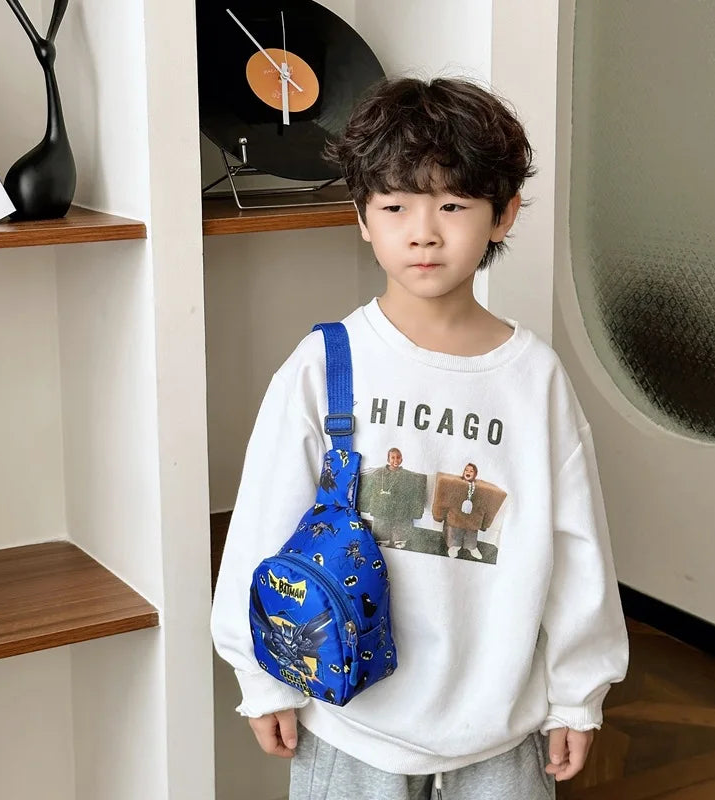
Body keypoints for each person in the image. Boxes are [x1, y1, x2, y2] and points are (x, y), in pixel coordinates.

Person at [211, 76, 629, 800]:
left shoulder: (533, 379)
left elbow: (577, 545)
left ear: (503, 214)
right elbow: (261, 526)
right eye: (395, 205)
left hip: (498, 726)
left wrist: (577, 694)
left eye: (453, 205)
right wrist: (262, 677)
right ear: (362, 217)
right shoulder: (325, 364)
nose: (424, 231)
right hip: (350, 722)